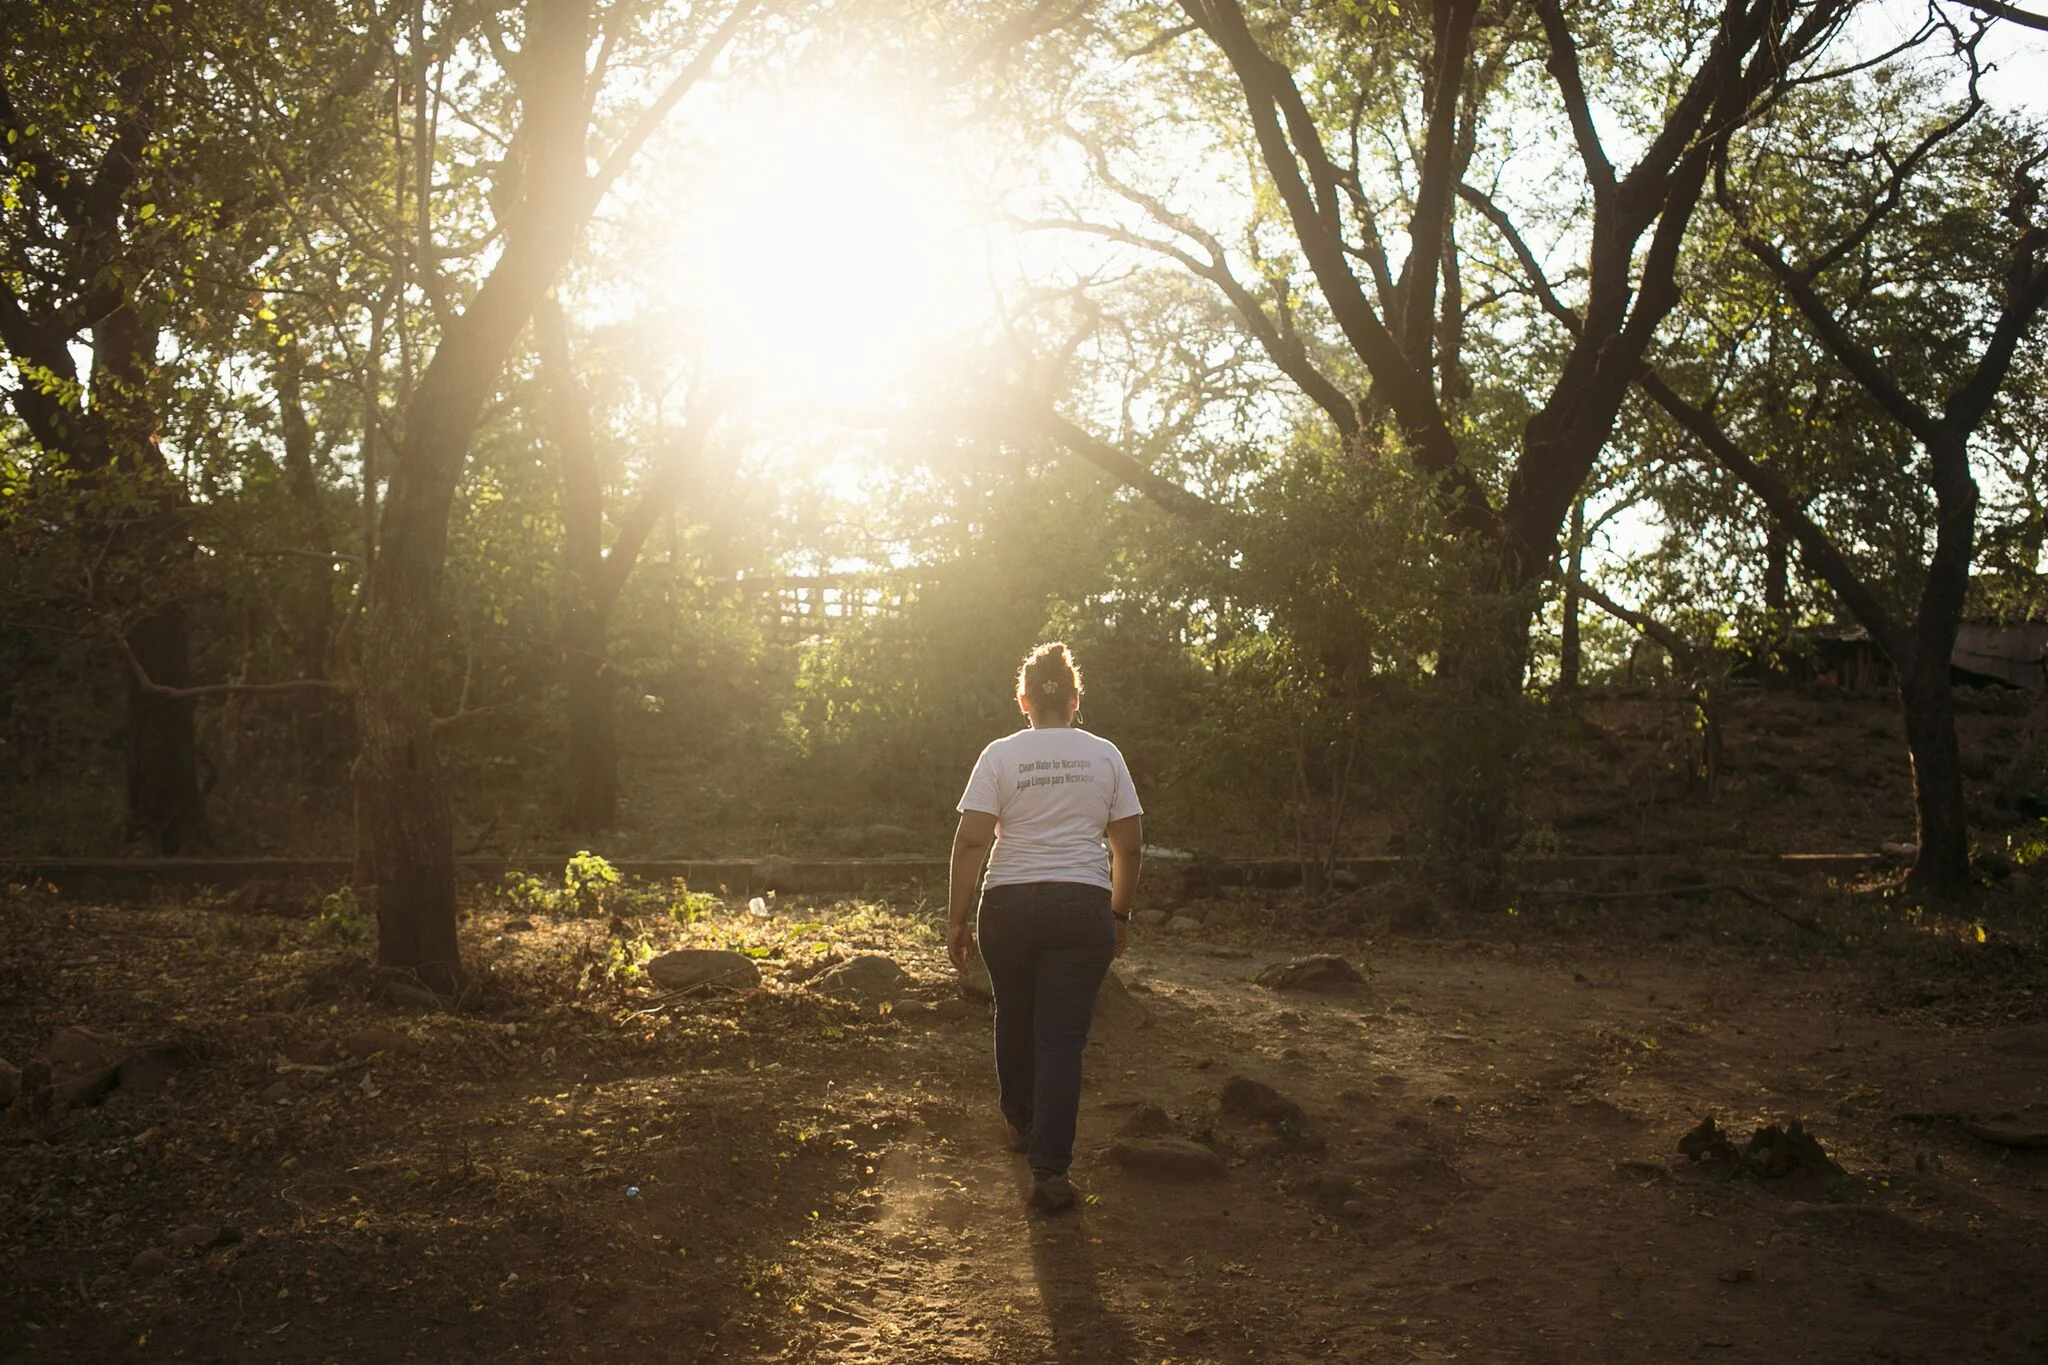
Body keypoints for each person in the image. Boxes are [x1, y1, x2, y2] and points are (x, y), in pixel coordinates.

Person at [948, 641, 1143, 1213]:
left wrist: (957, 919)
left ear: (1024, 700)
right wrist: (1119, 912)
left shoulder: (1000, 755)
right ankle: (1050, 1173)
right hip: (1081, 907)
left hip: (1007, 907)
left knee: (1013, 1011)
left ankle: (1019, 1122)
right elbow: (1127, 845)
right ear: (1075, 699)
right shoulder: (1105, 754)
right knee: (1061, 1038)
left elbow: (971, 840)